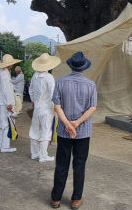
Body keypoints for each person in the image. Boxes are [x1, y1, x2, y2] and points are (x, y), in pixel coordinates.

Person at [50, 52, 97, 210]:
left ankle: (56, 198)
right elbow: (92, 108)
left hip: (64, 132)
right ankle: (76, 199)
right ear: (84, 67)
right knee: (79, 165)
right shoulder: (91, 85)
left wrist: (67, 125)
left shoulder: (60, 82)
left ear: (70, 65)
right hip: (82, 132)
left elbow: (57, 106)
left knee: (61, 164)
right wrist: (76, 123)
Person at [29, 53, 61, 162]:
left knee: (34, 130)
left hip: (37, 107)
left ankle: (34, 153)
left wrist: (33, 100)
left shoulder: (35, 76)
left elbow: (31, 90)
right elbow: (53, 94)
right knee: (46, 131)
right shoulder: (49, 77)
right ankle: (43, 155)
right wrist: (56, 106)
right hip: (47, 108)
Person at [0, 54, 22, 152]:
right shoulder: (5, 74)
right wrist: (9, 103)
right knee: (6, 124)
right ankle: (5, 146)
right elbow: (7, 91)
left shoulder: (0, 73)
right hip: (4, 103)